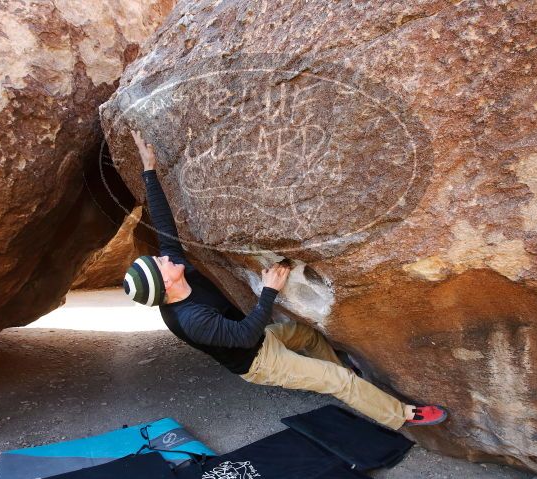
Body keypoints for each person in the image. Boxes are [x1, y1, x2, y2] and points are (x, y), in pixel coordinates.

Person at [121, 128, 448, 430]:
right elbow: (246, 335)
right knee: (335, 380)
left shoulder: (176, 276)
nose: (165, 257)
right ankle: (402, 415)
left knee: (308, 337)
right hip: (259, 360)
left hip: (263, 339)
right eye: (161, 263)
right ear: (165, 285)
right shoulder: (192, 319)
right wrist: (269, 291)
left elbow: (165, 229)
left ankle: (349, 378)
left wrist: (148, 170)